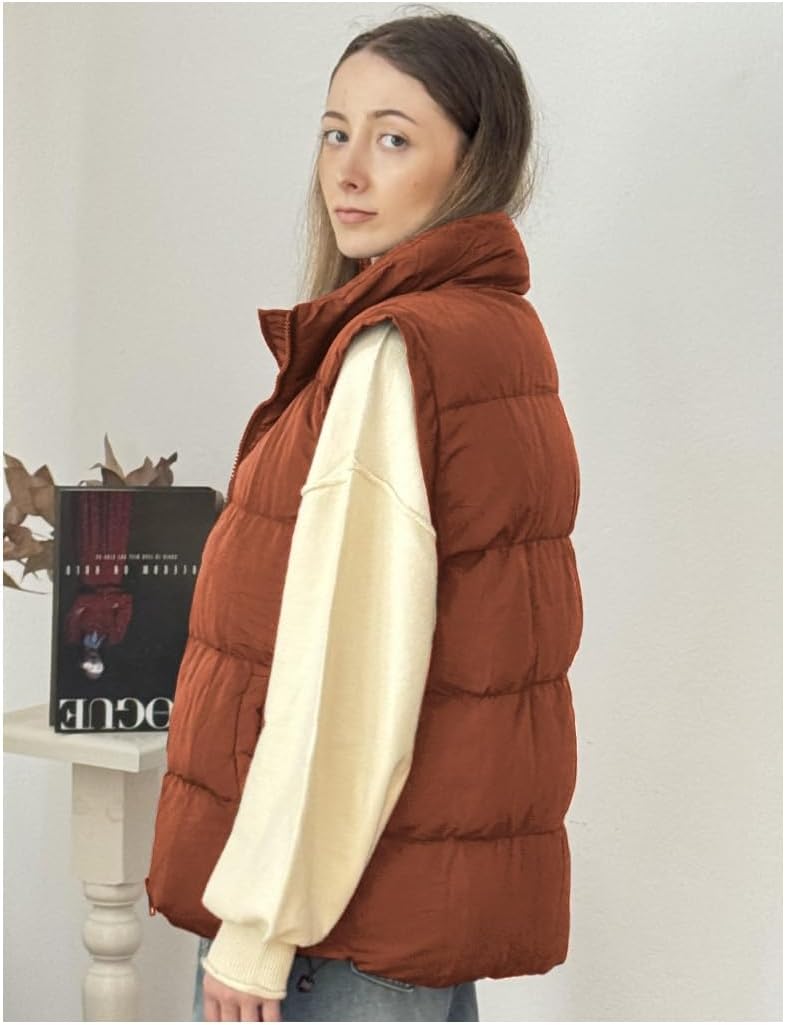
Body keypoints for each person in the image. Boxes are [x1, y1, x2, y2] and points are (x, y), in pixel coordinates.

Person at [145, 7, 583, 1023]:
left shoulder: (394, 351)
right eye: (334, 131)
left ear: (472, 162)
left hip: (332, 928)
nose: (345, 171)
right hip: (403, 907)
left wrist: (258, 928)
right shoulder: (497, 334)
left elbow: (343, 674)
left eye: (392, 139)